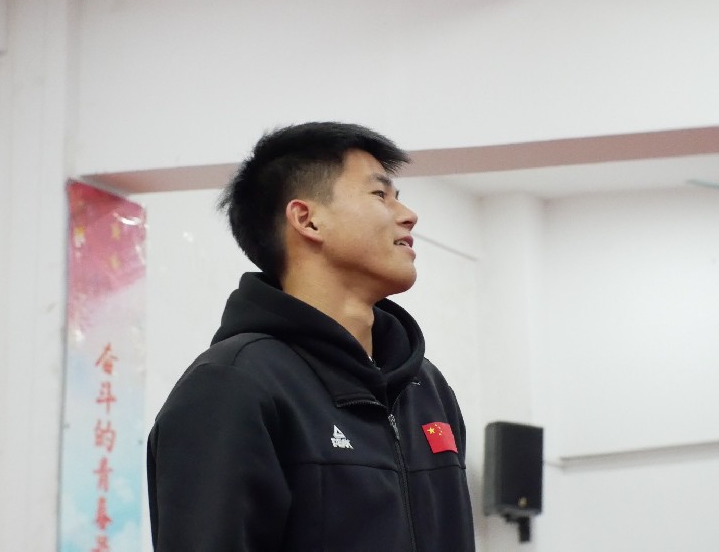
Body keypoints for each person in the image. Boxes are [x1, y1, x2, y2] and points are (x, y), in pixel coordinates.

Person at [146, 122, 476, 551]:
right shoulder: (233, 384)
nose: (408, 214)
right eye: (380, 194)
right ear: (307, 219)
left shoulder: (425, 386)